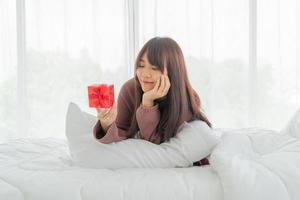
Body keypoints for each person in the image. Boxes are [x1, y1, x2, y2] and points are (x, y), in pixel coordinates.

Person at [93, 37, 211, 166]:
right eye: (141, 65)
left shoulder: (187, 98)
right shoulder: (130, 89)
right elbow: (120, 134)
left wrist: (147, 103)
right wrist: (107, 124)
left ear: (173, 71)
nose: (145, 74)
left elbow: (155, 144)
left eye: (154, 68)